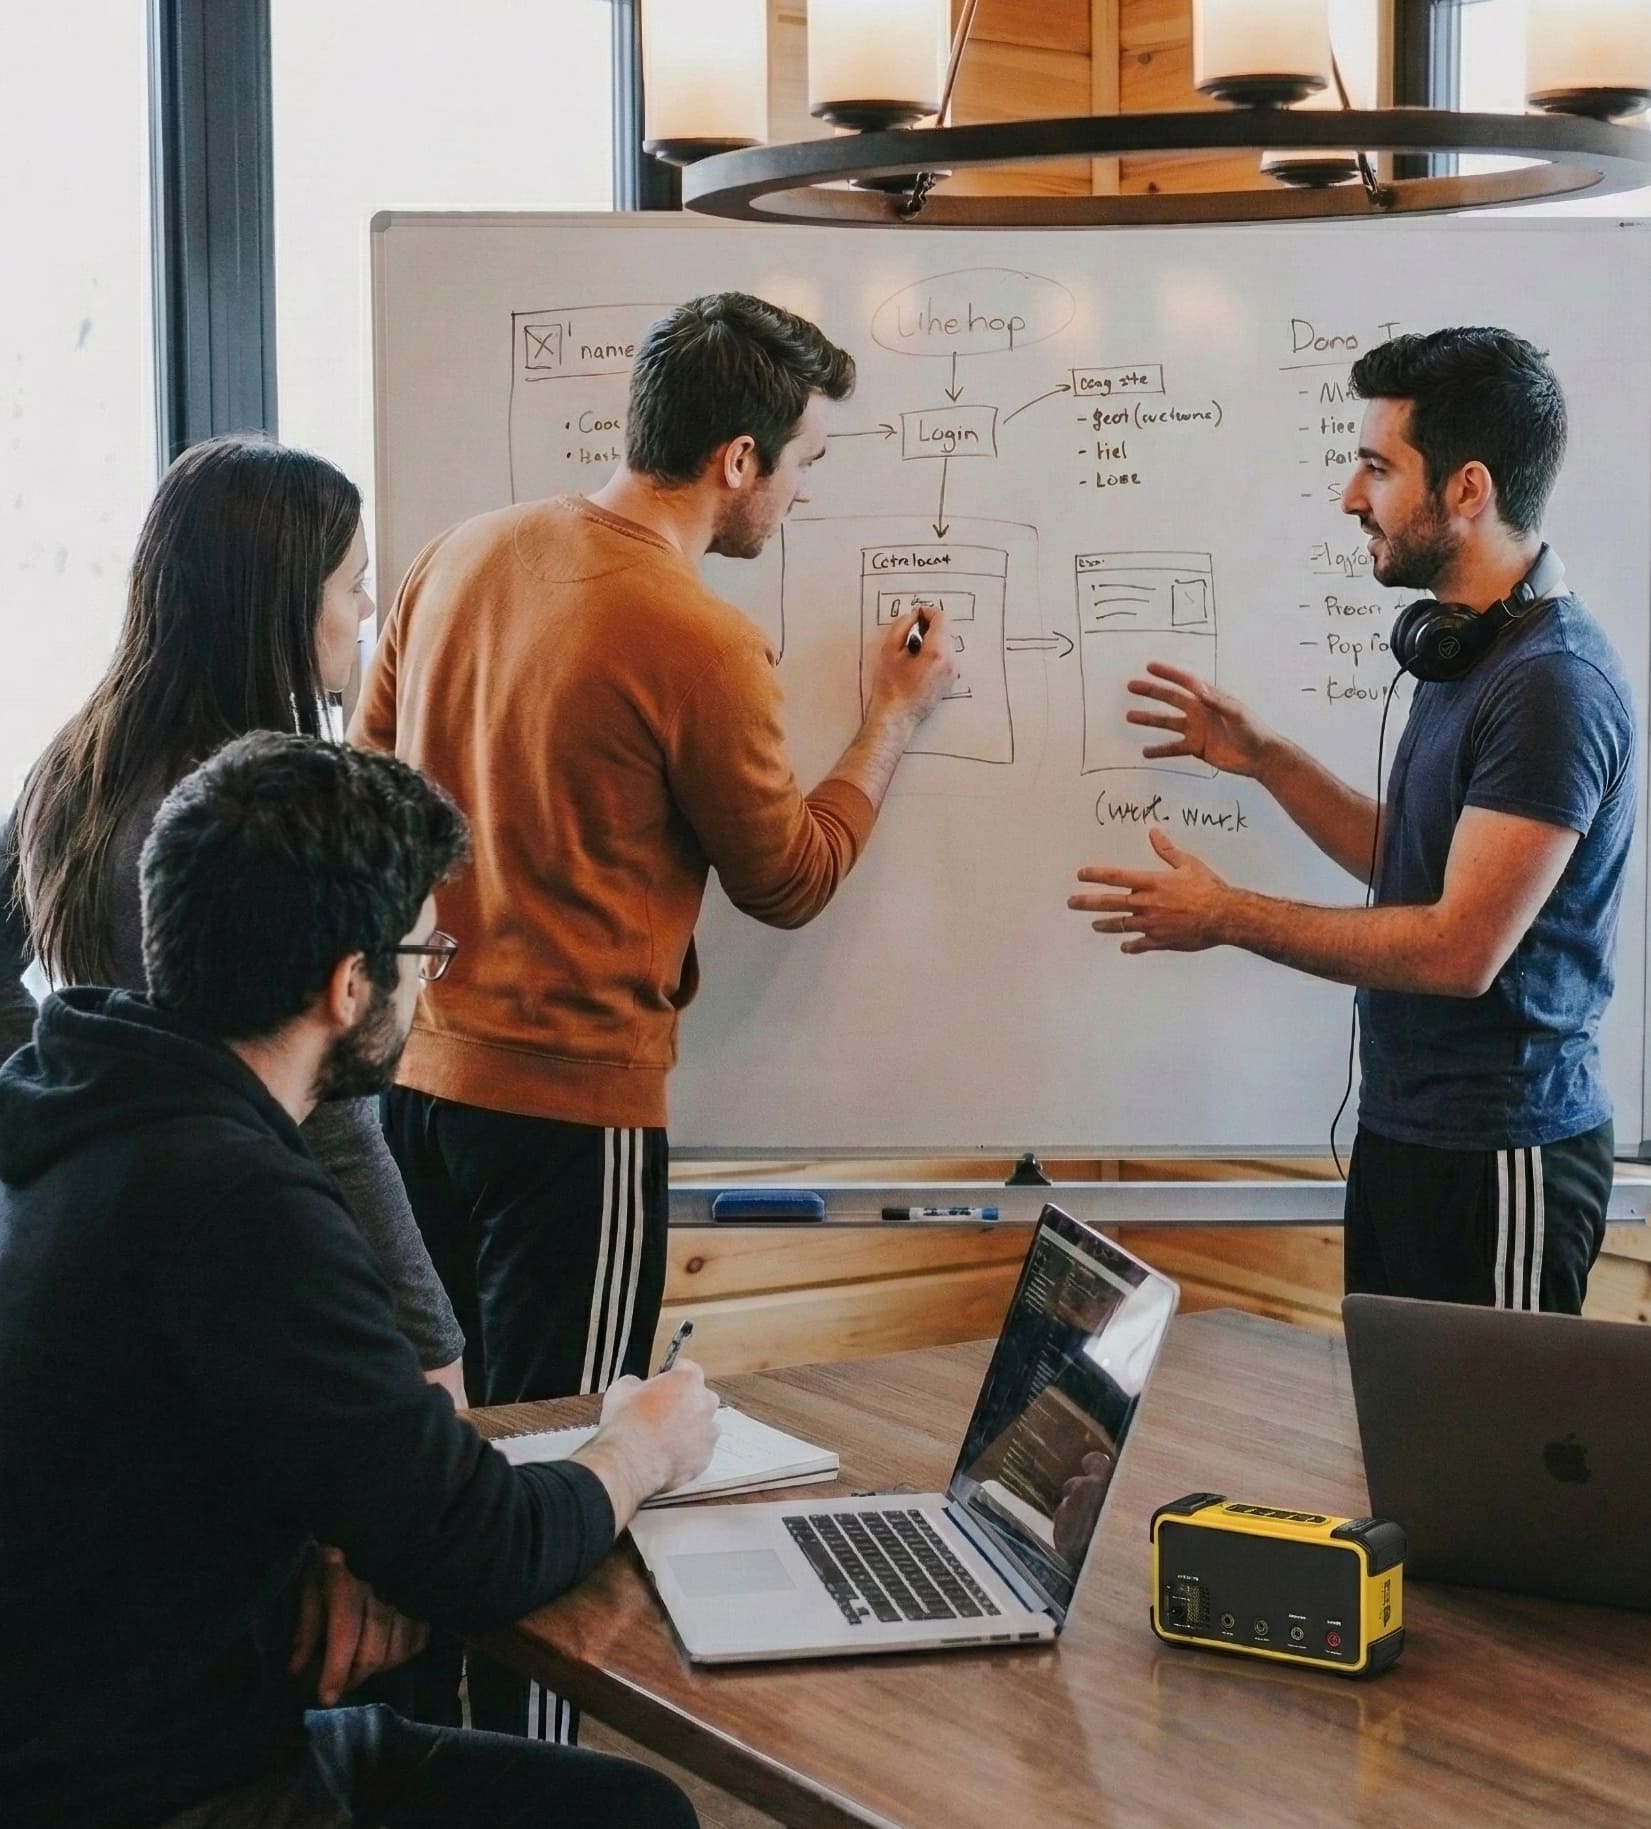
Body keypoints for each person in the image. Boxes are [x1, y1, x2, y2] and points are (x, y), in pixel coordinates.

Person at [352, 289, 954, 1733]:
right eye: (804, 463)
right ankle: (534, 1784)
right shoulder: (697, 634)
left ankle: (426, 1761)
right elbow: (789, 879)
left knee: (438, 1459)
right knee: (573, 1467)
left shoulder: (455, 555)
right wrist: (890, 718)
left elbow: (367, 797)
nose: (802, 496)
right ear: (737, 460)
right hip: (573, 1111)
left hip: (412, 1090)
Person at [0, 731, 718, 1828]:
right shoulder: (236, 1200)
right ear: (350, 985)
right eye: (426, 953)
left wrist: (352, 1529)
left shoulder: (80, 1098)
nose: (430, 982)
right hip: (154, 1787)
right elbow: (480, 1548)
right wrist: (642, 1447)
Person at [1071, 327, 1636, 1316]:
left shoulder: (1550, 684)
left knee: (1481, 1423)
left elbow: (1458, 947)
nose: (1348, 495)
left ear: (1467, 489)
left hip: (1498, 1153)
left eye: (1377, 467)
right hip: (1411, 1134)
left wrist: (1226, 914)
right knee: (1395, 1418)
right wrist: (1268, 760)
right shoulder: (1466, 650)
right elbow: (1412, 861)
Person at [0, 435, 466, 1403]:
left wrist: (53, 1095)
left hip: (106, 1230)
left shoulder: (77, 759)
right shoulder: (255, 813)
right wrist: (432, 1344)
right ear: (279, 604)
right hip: (249, 1249)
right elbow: (334, 1109)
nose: (366, 612)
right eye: (353, 585)